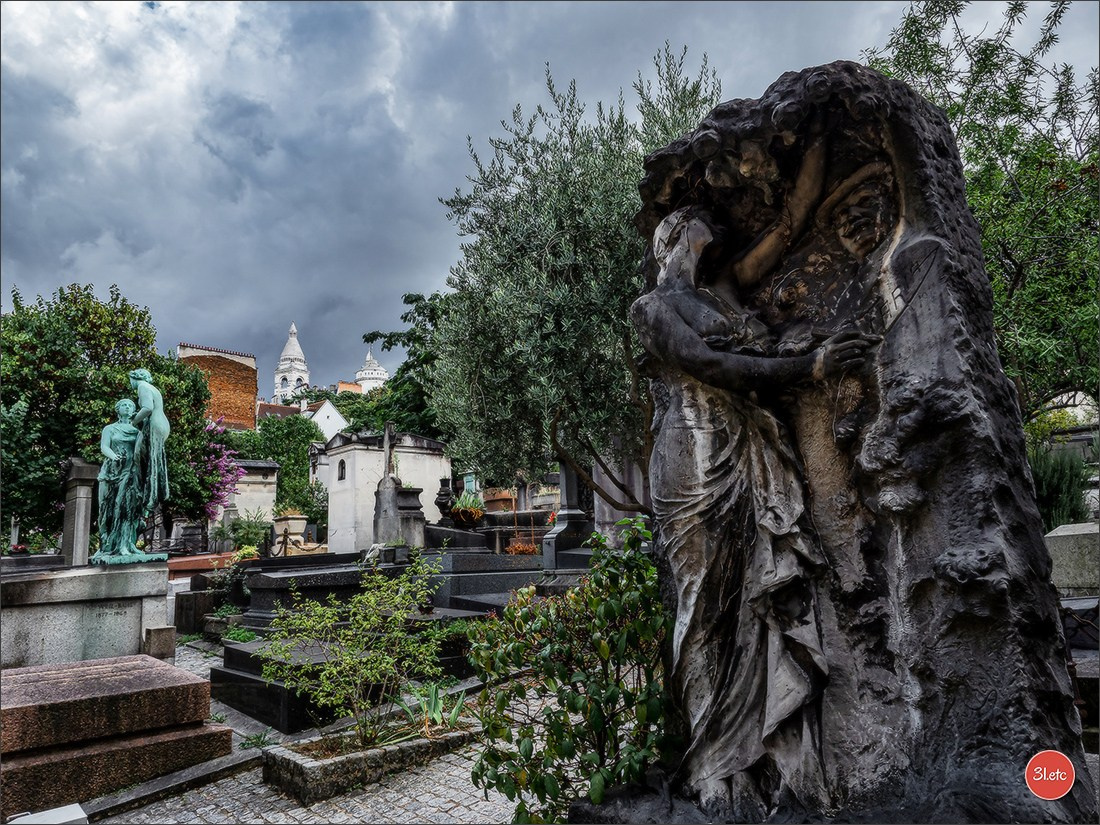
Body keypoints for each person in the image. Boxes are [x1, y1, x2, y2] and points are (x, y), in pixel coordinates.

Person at [631, 203, 877, 817]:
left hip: (742, 450)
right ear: (676, 236)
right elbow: (710, 366)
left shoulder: (720, 294)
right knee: (701, 602)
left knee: (747, 601)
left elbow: (788, 227)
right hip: (691, 462)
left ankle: (756, 756)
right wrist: (808, 366)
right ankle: (711, 765)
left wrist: (822, 139)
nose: (714, 237)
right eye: (701, 227)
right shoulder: (653, 308)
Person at [93, 398, 143, 559]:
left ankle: (126, 544)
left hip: (130, 472)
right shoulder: (110, 428)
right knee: (106, 509)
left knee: (126, 508)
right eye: (124, 405)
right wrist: (114, 456)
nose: (127, 408)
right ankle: (106, 545)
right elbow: (104, 447)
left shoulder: (137, 431)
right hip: (110, 472)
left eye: (130, 406)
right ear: (118, 409)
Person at [129, 367, 170, 515]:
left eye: (130, 380)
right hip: (160, 424)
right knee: (150, 460)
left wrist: (133, 422)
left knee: (146, 460)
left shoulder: (142, 387)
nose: (130, 384)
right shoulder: (152, 387)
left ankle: (149, 498)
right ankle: (150, 496)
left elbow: (147, 408)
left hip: (155, 425)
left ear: (135, 378)